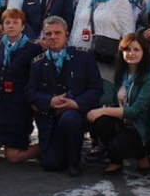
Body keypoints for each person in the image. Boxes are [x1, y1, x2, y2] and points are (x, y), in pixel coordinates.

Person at [27, 16, 103, 176]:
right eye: (48, 34)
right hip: (50, 116)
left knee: (70, 118)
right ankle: (59, 150)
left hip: (77, 114)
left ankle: (75, 161)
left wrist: (76, 104)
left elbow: (96, 88)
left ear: (66, 35)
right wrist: (50, 101)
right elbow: (30, 93)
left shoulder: (84, 57)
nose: (52, 37)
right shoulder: (37, 63)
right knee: (51, 164)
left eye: (57, 33)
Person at [86, 33, 150, 175]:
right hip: (122, 123)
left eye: (136, 50)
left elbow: (136, 111)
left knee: (115, 142)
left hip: (140, 128)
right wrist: (105, 110)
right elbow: (117, 101)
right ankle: (116, 159)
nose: (131, 53)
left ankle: (142, 154)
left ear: (144, 52)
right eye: (127, 50)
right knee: (100, 122)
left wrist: (103, 110)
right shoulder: (122, 73)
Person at [0, 9, 42, 162]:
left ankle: (45, 146)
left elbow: (36, 77)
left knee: (13, 157)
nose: (11, 26)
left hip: (18, 107)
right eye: (7, 22)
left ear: (23, 26)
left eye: (15, 23)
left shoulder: (33, 48)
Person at [69, 0, 133, 105]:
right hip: (81, 60)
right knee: (82, 103)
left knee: (101, 101)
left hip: (105, 62)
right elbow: (76, 26)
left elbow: (128, 34)